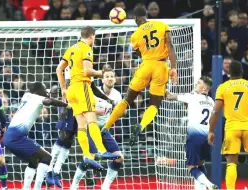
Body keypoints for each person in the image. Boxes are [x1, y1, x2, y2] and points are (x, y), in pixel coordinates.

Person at [102, 6, 177, 146]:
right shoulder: (162, 25)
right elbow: (170, 45)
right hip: (161, 66)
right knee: (154, 104)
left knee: (127, 99)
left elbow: (140, 54)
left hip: (145, 65)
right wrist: (173, 68)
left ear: (136, 18)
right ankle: (141, 125)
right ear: (146, 15)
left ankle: (106, 127)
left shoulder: (135, 36)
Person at [56, 26, 120, 170]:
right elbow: (87, 71)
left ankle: (86, 155)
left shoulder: (71, 48)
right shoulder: (86, 48)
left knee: (82, 125)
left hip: (71, 89)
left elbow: (59, 69)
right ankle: (102, 150)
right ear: (92, 36)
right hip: (82, 86)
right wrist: (102, 73)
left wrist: (63, 89)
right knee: (92, 120)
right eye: (94, 37)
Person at [3, 82, 70, 190]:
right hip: (16, 137)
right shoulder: (36, 97)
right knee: (47, 157)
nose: (46, 91)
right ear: (38, 92)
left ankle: (26, 188)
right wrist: (67, 105)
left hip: (10, 137)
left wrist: (52, 92)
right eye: (44, 89)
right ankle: (37, 187)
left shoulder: (27, 96)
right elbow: (49, 101)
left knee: (34, 160)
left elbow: (46, 94)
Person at [208, 61, 248, 189]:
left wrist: (211, 130)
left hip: (232, 128)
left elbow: (216, 111)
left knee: (231, 162)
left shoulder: (222, 87)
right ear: (242, 71)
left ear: (229, 73)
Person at [70, 68, 124, 190]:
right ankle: (74, 185)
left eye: (112, 76)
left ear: (115, 79)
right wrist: (96, 111)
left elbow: (116, 113)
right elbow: (82, 109)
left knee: (120, 157)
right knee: (90, 159)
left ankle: (105, 186)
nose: (110, 78)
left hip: (104, 130)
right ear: (102, 80)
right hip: (90, 127)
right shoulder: (93, 92)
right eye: (107, 76)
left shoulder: (117, 95)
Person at [166, 76, 217, 190]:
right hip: (206, 137)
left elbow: (169, 96)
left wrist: (160, 87)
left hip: (194, 137)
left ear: (204, 88)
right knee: (200, 164)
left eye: (198, 83)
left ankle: (209, 185)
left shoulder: (193, 97)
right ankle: (204, 187)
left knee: (191, 167)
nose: (195, 84)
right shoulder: (211, 101)